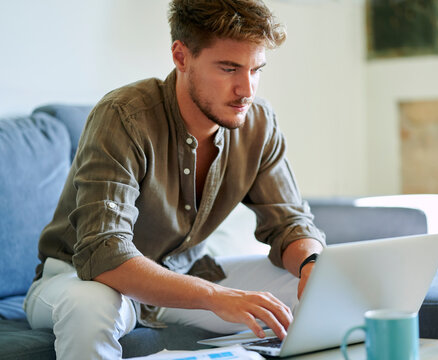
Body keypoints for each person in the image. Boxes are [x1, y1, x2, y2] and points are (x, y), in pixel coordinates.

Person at [23, 0, 325, 359]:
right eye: (229, 69)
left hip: (183, 274)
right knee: (89, 305)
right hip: (82, 277)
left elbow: (290, 224)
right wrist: (215, 298)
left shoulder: (258, 123)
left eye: (256, 69)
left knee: (320, 288)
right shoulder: (123, 116)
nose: (247, 89)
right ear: (181, 57)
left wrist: (312, 267)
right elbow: (104, 253)